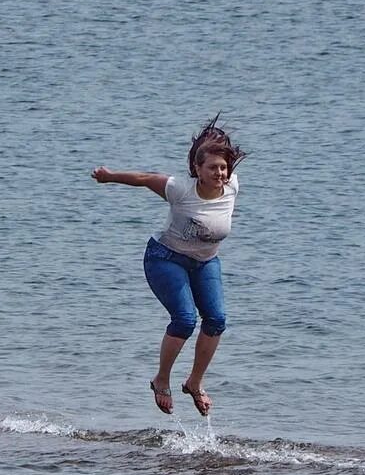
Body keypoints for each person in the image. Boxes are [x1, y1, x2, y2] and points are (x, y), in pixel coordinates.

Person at [90, 115, 247, 417]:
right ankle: (162, 380)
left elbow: (226, 170)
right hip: (165, 258)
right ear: (197, 170)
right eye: (212, 167)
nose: (220, 173)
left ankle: (194, 383)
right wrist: (109, 176)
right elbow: (146, 178)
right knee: (185, 319)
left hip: (204, 262)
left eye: (223, 167)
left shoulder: (232, 187)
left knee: (216, 320)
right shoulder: (180, 189)